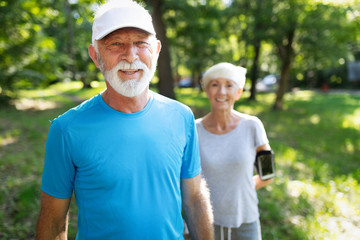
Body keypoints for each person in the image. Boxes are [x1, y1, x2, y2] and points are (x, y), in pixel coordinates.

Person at [35, 0, 214, 239]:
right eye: (115, 44)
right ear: (95, 55)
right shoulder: (67, 129)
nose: (130, 56)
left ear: (157, 50)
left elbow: (193, 197)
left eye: (141, 43)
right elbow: (54, 221)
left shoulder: (181, 116)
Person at [195, 63, 274, 240]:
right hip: (206, 222)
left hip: (246, 220)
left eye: (229, 85)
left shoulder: (253, 126)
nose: (222, 92)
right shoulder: (193, 130)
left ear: (238, 93)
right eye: (214, 84)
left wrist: (240, 188)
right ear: (207, 91)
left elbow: (268, 174)